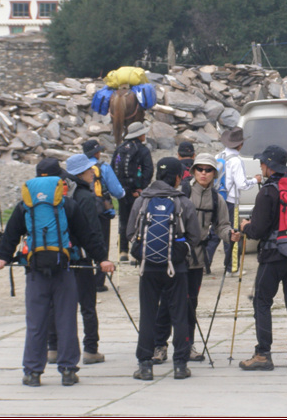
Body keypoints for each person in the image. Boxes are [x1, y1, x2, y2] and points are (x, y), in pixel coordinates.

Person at [0, 158, 114, 387]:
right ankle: (68, 370)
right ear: (59, 177)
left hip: (35, 271)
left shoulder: (26, 204)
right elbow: (87, 235)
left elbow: (11, 234)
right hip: (64, 269)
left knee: (36, 322)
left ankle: (32, 371)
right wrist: (103, 259)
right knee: (66, 319)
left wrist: (2, 257)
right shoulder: (67, 204)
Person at [152, 152, 231, 365]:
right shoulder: (181, 193)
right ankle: (160, 345)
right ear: (193, 171)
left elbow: (221, 226)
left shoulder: (217, 199)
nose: (203, 173)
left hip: (197, 259)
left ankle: (187, 345)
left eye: (208, 170)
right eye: (200, 169)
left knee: (190, 304)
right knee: (167, 302)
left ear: (215, 174)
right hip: (175, 257)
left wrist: (231, 235)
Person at [127, 157, 200, 382]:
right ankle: (180, 365)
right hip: (176, 267)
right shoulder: (183, 201)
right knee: (178, 314)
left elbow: (130, 232)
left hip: (148, 268)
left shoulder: (142, 201)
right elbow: (195, 237)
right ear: (178, 177)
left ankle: (145, 365)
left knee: (148, 314)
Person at [234, 145, 287, 371]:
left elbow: (258, 231)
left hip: (273, 257)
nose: (261, 166)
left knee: (262, 302)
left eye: (263, 162)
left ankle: (263, 354)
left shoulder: (267, 192)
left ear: (271, 165)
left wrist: (246, 226)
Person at [47, 154, 108, 366]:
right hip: (81, 258)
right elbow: (92, 231)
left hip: (59, 255)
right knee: (87, 305)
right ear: (81, 173)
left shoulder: (58, 194)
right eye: (90, 170)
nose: (93, 173)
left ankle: (53, 347)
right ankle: (91, 349)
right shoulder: (84, 197)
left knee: (58, 304)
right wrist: (101, 257)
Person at [210, 127, 261, 275]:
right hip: (231, 201)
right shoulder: (236, 161)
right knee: (232, 232)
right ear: (240, 145)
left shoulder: (219, 155)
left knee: (215, 232)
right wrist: (255, 180)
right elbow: (242, 184)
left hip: (217, 199)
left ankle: (204, 264)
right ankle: (232, 268)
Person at [82, 139, 125, 292]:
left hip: (81, 211)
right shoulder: (103, 167)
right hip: (101, 212)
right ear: (97, 153)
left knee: (84, 244)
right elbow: (117, 191)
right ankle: (99, 281)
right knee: (102, 242)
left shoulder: (78, 167)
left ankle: (84, 279)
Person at [112, 122, 153, 262]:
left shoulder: (119, 149)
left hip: (122, 192)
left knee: (123, 220)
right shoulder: (143, 150)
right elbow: (148, 170)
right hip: (137, 192)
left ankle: (123, 251)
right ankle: (137, 251)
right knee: (139, 220)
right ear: (140, 135)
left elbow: (113, 169)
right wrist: (142, 188)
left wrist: (120, 190)